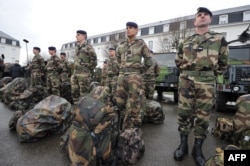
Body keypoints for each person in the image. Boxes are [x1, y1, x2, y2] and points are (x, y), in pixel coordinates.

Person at [174, 7, 229, 166]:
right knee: (183, 113)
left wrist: (208, 72)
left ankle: (197, 149)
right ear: (195, 21)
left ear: (210, 20)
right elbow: (178, 60)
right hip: (186, 79)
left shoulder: (219, 39)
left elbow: (224, 62)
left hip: (206, 81)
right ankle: (183, 145)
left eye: (205, 15)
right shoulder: (185, 40)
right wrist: (188, 71)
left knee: (203, 116)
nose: (202, 16)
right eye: (199, 15)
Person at [116, 22, 153, 129]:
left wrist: (141, 72)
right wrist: (122, 68)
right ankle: (122, 124)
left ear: (137, 30)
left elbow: (149, 60)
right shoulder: (121, 45)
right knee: (119, 102)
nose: (128, 29)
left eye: (131, 28)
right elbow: (118, 59)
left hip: (134, 76)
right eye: (127, 28)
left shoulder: (141, 44)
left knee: (134, 102)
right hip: (122, 75)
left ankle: (134, 128)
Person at [71, 30, 97, 104]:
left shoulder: (88, 47)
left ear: (84, 36)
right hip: (75, 73)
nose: (76, 36)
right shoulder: (77, 48)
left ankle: (84, 111)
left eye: (78, 35)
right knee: (74, 92)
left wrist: (87, 70)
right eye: (76, 35)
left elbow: (94, 61)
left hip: (84, 74)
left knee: (84, 93)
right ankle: (76, 109)